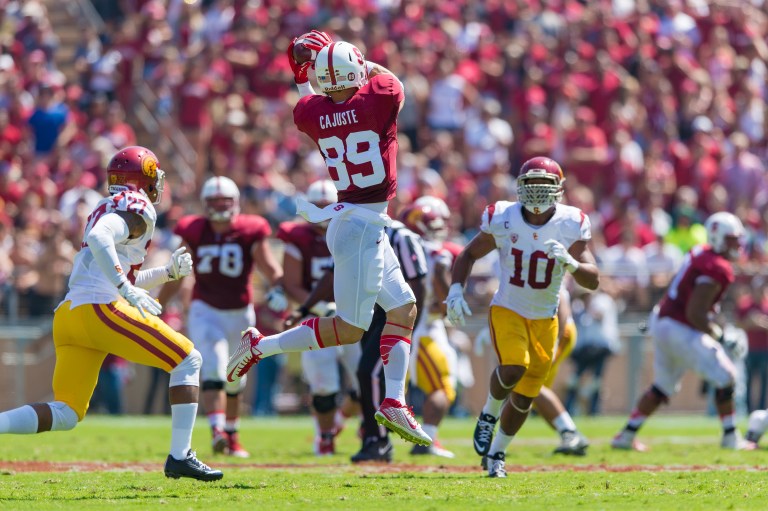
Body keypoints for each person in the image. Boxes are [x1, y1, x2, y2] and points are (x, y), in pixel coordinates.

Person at [227, 32, 431, 446]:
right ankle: (260, 346)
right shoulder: (380, 95)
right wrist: (340, 56)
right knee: (351, 330)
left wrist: (308, 70)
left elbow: (310, 99)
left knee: (404, 308)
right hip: (361, 226)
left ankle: (394, 400)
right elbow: (387, 80)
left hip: (357, 220)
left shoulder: (311, 113)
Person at [0, 146, 222, 481]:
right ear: (143, 177)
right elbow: (101, 238)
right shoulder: (137, 207)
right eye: (154, 175)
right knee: (187, 360)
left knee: (67, 412)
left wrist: (166, 273)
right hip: (99, 309)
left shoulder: (105, 206)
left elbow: (112, 266)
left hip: (71, 315)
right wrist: (125, 289)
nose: (157, 183)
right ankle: (181, 456)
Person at [446, 156, 600, 478]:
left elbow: (593, 278)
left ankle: (497, 453)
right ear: (519, 186)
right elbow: (469, 253)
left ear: (559, 189)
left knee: (526, 397)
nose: (536, 193)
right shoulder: (503, 216)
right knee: (514, 367)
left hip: (546, 318)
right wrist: (456, 290)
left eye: (544, 187)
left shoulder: (572, 222)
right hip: (509, 308)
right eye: (530, 185)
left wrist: (571, 265)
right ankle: (488, 414)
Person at [158, 175, 286, 458]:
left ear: (236, 203)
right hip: (206, 309)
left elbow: (270, 267)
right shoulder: (193, 230)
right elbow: (179, 273)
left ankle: (232, 433)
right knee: (215, 366)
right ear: (204, 204)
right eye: (213, 202)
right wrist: (159, 304)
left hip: (240, 311)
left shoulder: (251, 228)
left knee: (235, 376)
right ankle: (217, 430)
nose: (218, 207)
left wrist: (280, 288)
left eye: (223, 201)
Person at [286, 216, 428, 463]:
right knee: (366, 377)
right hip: (365, 312)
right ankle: (372, 435)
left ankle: (378, 440)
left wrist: (408, 328)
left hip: (391, 315)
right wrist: (305, 308)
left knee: (369, 374)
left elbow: (417, 285)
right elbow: (332, 274)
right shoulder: (355, 231)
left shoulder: (401, 236)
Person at [612, 212, 747, 452]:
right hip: (680, 326)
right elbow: (696, 312)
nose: (736, 245)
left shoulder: (700, 252)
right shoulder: (717, 266)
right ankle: (730, 437)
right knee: (727, 376)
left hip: (663, 320)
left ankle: (626, 435)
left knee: (663, 385)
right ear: (717, 238)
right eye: (731, 239)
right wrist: (722, 336)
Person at [277, 179, 361, 456]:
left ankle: (344, 423)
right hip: (315, 317)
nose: (326, 212)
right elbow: (291, 283)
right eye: (320, 207)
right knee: (324, 385)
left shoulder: (352, 232)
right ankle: (325, 436)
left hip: (353, 315)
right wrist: (318, 307)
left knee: (367, 378)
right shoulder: (299, 237)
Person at [400, 196, 461, 457]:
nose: (440, 229)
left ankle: (355, 431)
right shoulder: (436, 253)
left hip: (406, 327)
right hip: (422, 330)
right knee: (441, 387)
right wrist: (450, 303)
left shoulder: (398, 250)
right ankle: (428, 440)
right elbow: (439, 279)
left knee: (385, 390)